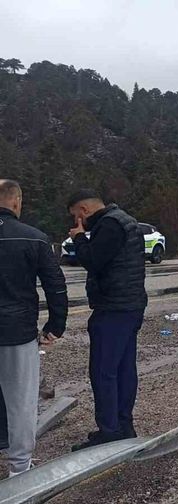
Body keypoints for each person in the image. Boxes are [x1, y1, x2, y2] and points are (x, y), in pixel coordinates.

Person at [66, 189, 147, 451]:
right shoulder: (126, 220)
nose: (77, 223)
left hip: (114, 307)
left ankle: (109, 432)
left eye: (76, 217)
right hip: (130, 305)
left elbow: (93, 260)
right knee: (124, 369)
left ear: (84, 211)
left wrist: (79, 238)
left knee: (103, 371)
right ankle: (124, 425)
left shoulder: (110, 225)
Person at [0, 179, 67, 477]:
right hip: (17, 333)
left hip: (16, 330)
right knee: (21, 401)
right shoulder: (35, 239)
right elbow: (56, 286)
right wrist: (55, 326)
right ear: (16, 202)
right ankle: (19, 468)